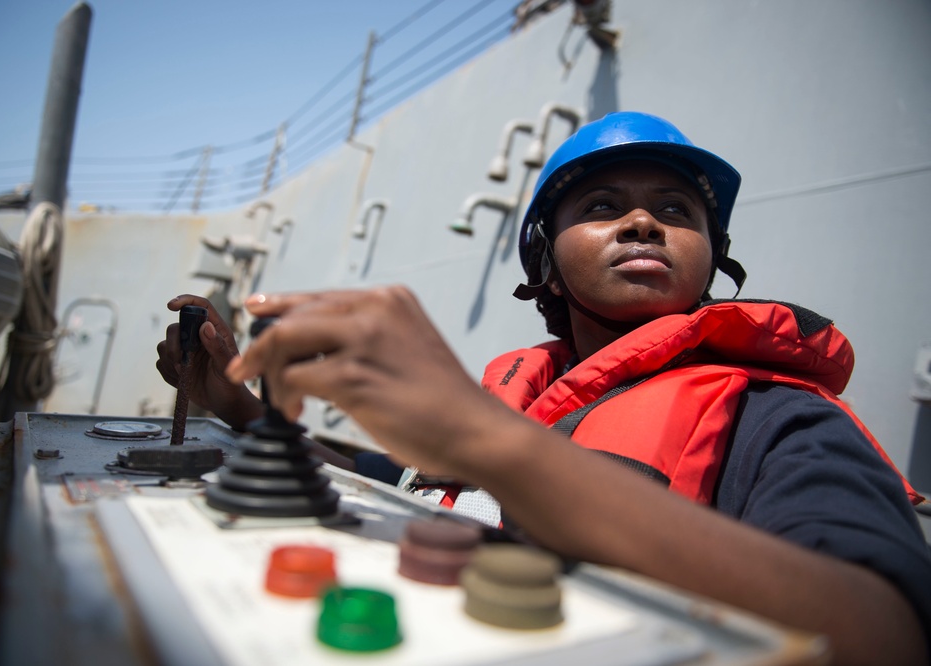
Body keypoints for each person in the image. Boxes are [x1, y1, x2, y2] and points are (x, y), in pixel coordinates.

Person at [159, 111, 931, 665]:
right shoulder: (521, 394)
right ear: (546, 265)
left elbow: (890, 634)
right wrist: (240, 408)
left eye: (675, 210)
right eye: (601, 207)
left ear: (712, 257)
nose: (642, 223)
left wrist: (492, 444)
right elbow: (417, 493)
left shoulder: (776, 414)